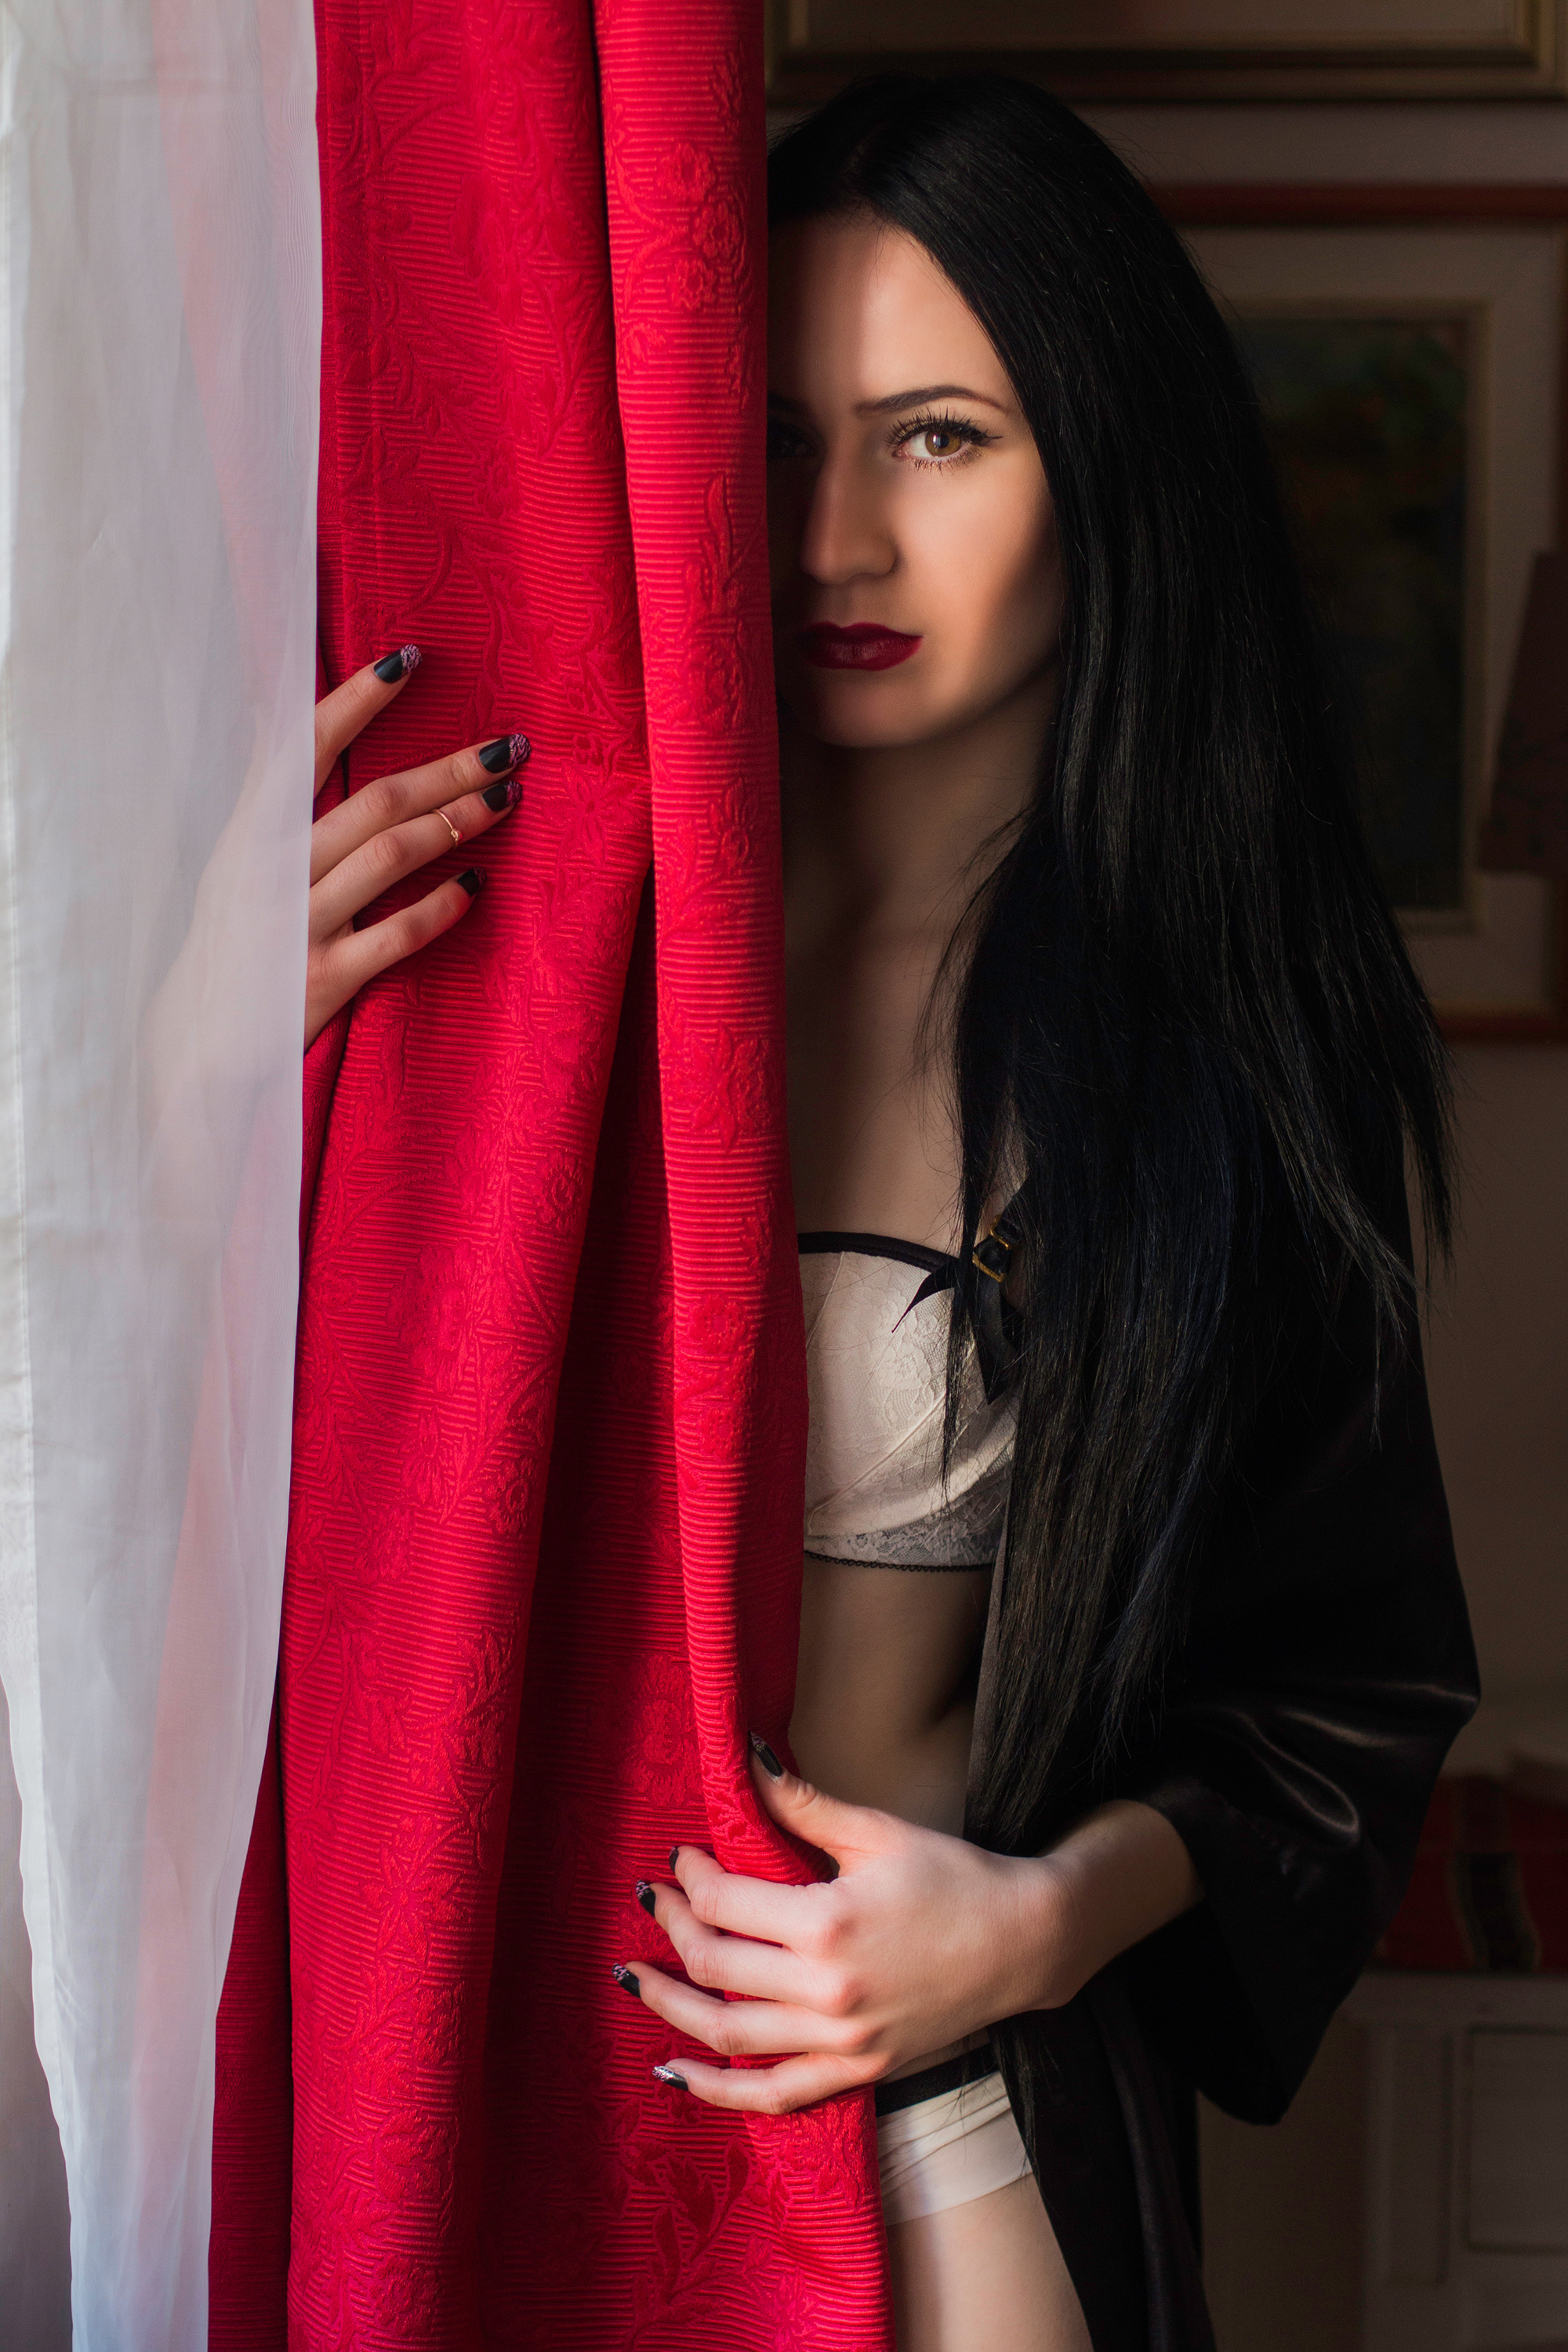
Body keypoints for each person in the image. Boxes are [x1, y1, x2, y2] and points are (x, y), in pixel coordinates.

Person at [301, 74, 1478, 2352]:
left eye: (940, 437)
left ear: (1102, 468)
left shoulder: (1228, 1047)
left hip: (934, 2143)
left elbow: (1342, 1695)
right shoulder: (514, 967)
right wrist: (211, 1092)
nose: (835, 535)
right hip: (460, 2109)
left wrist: (1041, 1925)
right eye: (774, 443)